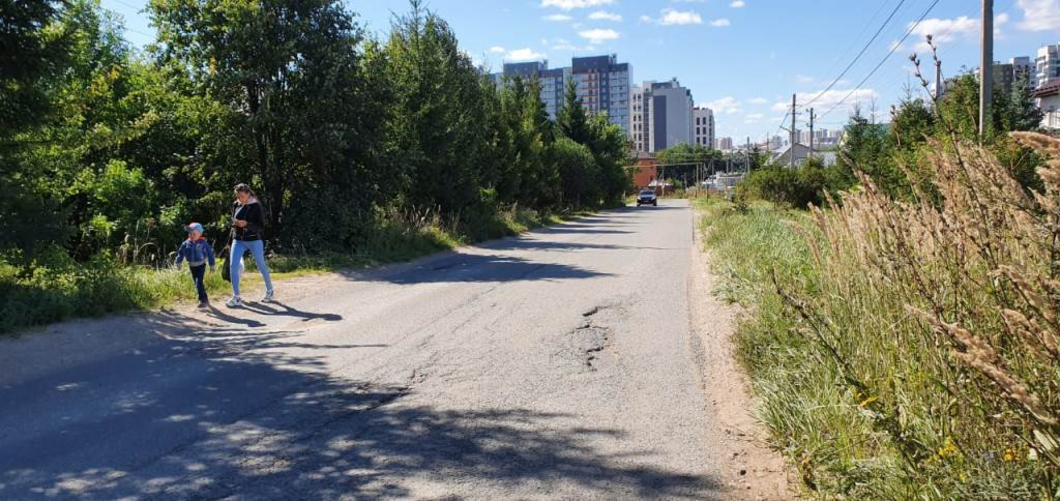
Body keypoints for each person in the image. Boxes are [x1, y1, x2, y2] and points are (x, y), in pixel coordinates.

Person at [227, 183, 275, 307]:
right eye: (238, 196)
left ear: (248, 194)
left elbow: (261, 227)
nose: (239, 198)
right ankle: (236, 297)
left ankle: (270, 290)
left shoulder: (256, 206)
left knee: (261, 265)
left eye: (242, 196)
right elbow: (233, 222)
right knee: (233, 266)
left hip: (254, 240)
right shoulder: (236, 204)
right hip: (238, 240)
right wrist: (233, 229)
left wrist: (247, 224)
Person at [176, 222, 216, 309]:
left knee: (198, 283)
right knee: (197, 283)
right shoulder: (186, 243)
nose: (191, 235)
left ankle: (202, 300)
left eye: (194, 234)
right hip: (192, 266)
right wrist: (178, 262)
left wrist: (212, 265)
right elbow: (181, 253)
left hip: (201, 265)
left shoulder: (203, 243)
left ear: (200, 234)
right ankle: (205, 298)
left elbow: (210, 254)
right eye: (190, 234)